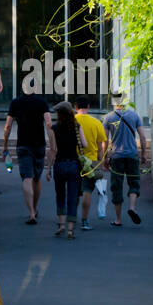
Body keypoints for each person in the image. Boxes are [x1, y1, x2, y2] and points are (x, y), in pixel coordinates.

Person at [2, 85, 55, 225]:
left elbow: (7, 126)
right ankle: (35, 208)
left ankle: (31, 212)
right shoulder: (42, 102)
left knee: (27, 177)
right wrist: (52, 144)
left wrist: (5, 145)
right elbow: (49, 123)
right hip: (39, 145)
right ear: (35, 88)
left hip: (23, 144)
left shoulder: (15, 102)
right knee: (37, 178)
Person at [102, 89, 149, 226]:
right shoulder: (134, 116)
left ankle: (118, 219)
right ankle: (132, 208)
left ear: (114, 101)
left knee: (116, 187)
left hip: (116, 157)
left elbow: (105, 139)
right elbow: (143, 137)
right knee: (134, 183)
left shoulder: (108, 117)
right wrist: (143, 153)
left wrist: (105, 158)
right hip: (132, 155)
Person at [47, 101, 89, 239]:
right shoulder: (76, 126)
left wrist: (48, 168)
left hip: (59, 164)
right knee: (72, 196)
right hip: (74, 164)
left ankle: (61, 225)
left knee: (60, 194)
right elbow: (84, 144)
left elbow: (53, 150)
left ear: (59, 114)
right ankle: (71, 229)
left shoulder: (54, 128)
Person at [74, 98, 107, 229]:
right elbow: (100, 145)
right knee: (87, 191)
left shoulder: (71, 121)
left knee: (73, 190)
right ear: (88, 105)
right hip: (91, 161)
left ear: (75, 107)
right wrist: (101, 160)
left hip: (74, 159)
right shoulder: (96, 122)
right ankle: (85, 220)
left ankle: (71, 216)